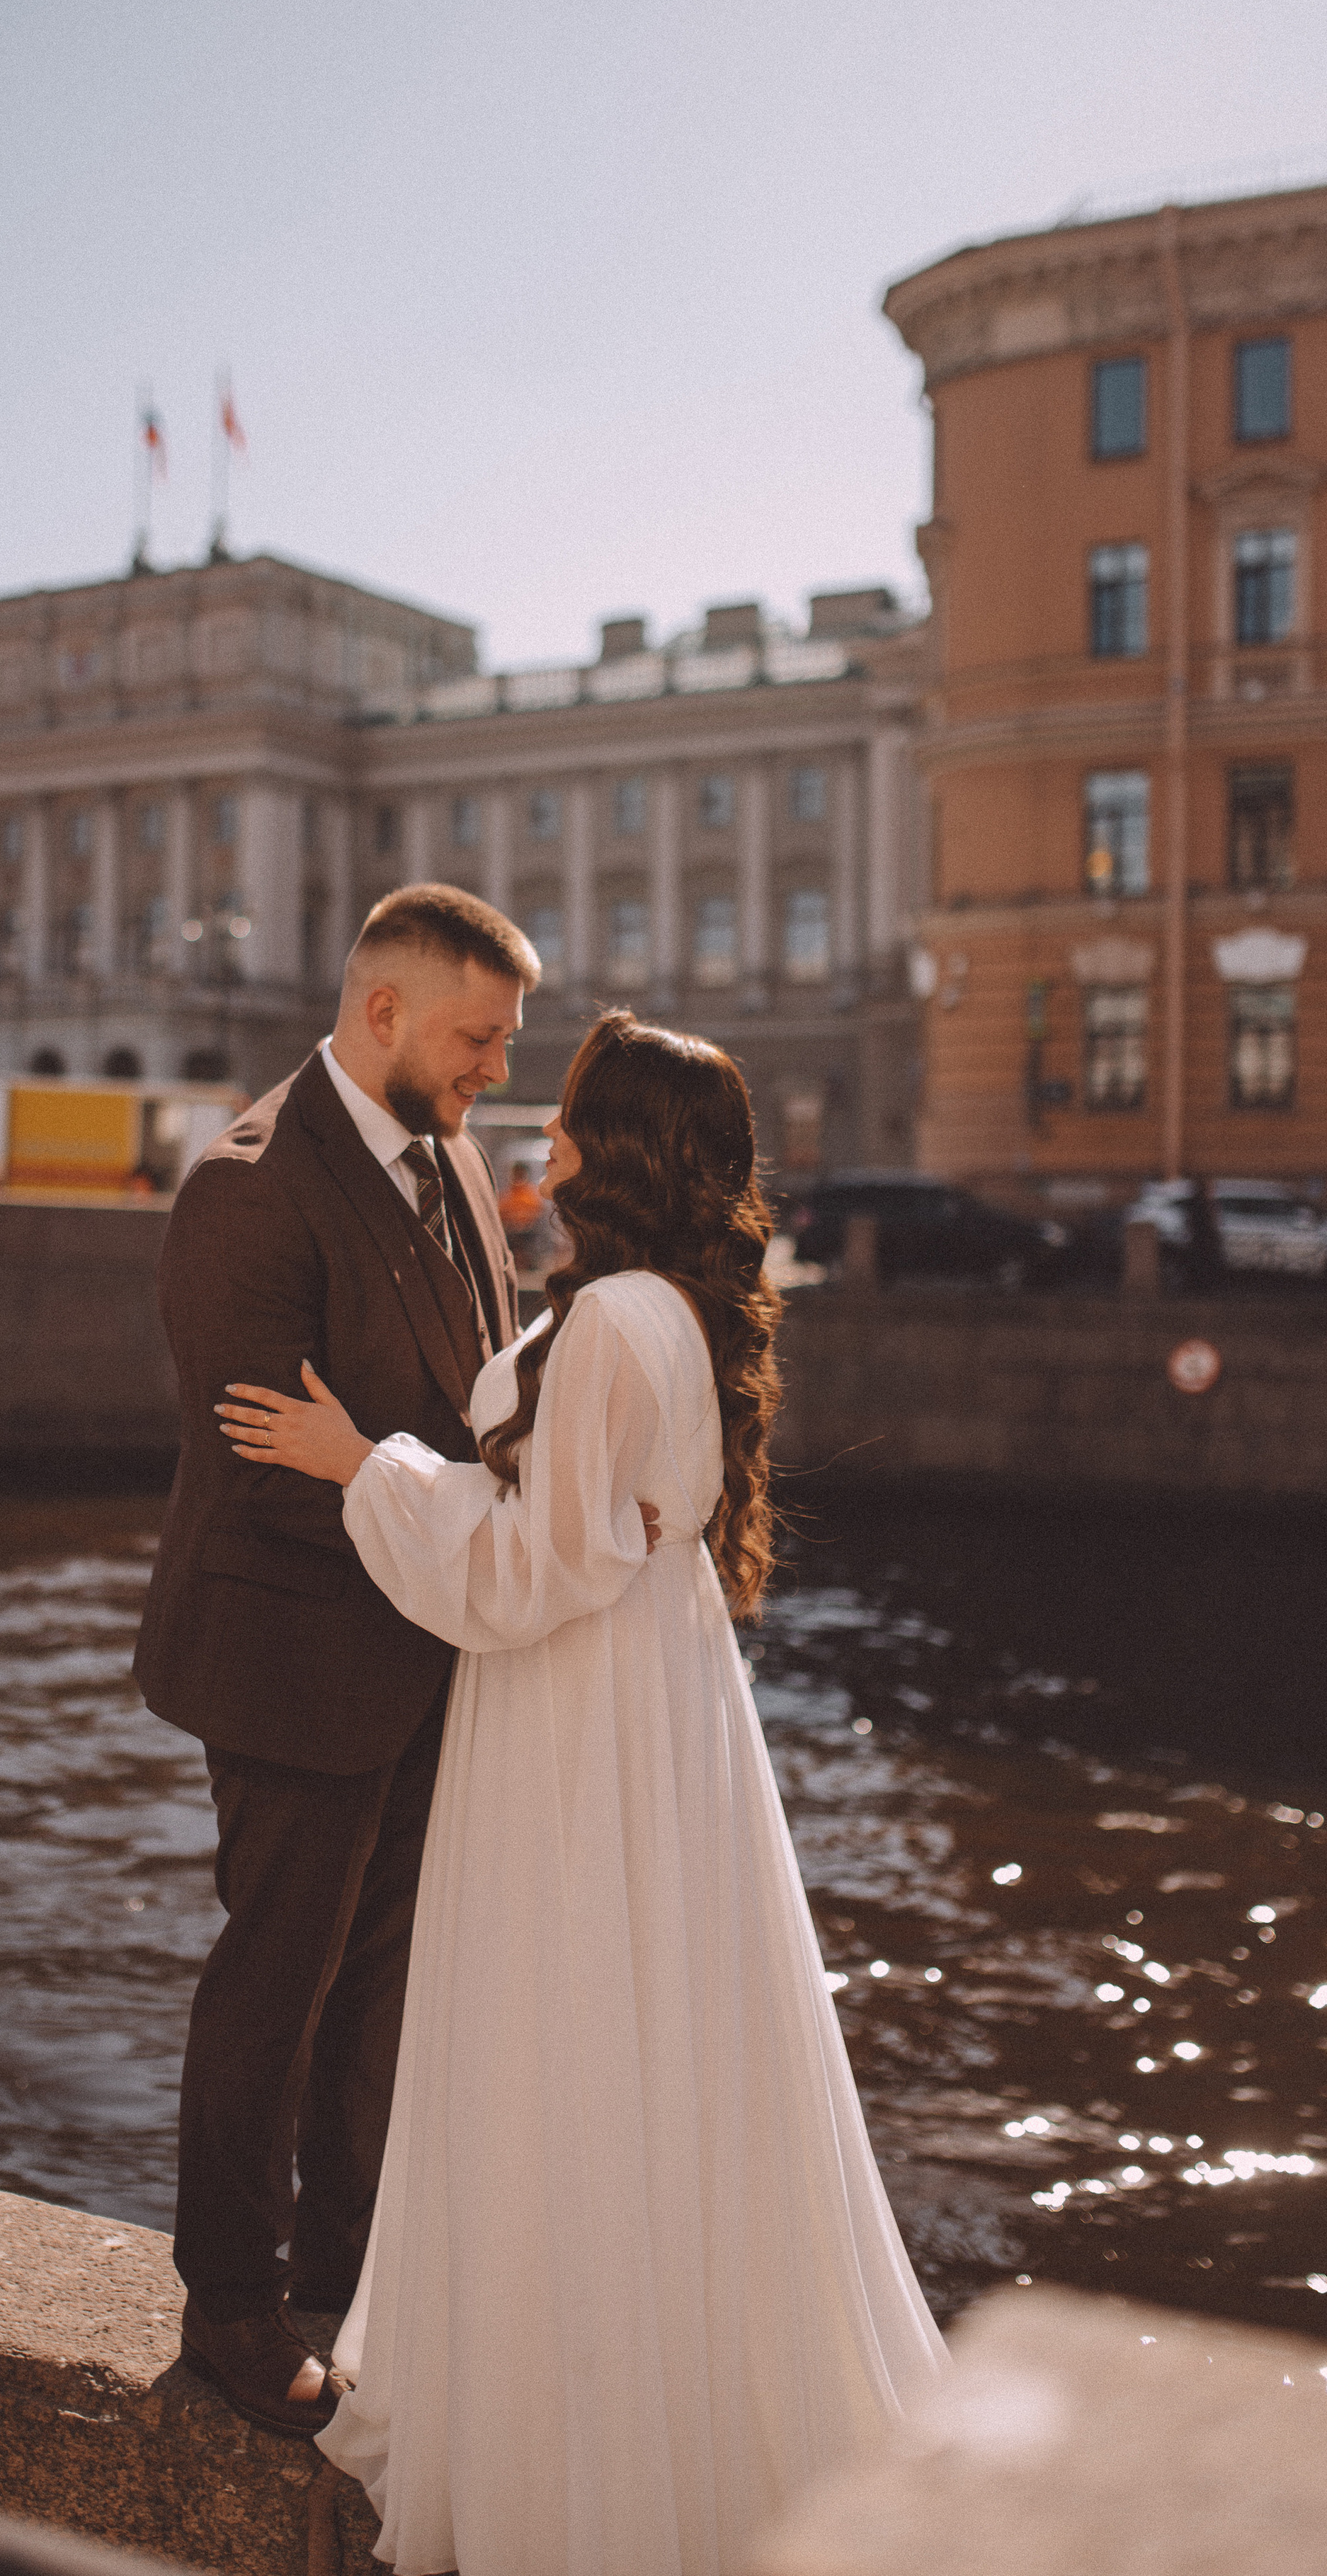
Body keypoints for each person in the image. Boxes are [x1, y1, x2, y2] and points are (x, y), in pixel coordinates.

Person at [217, 1010, 950, 2575]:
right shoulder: (668, 1314)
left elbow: (531, 1573)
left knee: (561, 2030)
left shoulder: (616, 1322)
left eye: (562, 1124)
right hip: (640, 1710)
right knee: (639, 2048)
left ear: (616, 1152)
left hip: (574, 1715)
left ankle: (571, 2457)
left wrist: (365, 1464)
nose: (534, 1143)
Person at [133, 884, 538, 2440]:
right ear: (382, 1013)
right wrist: (448, 1520)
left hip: (422, 1651)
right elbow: (263, 1472)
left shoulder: (442, 1152)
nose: (495, 1067)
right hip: (295, 1663)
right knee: (276, 1986)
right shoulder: (248, 1184)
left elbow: (464, 1399)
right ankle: (234, 2302)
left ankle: (353, 2271)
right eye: (476, 1037)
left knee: (379, 1990)